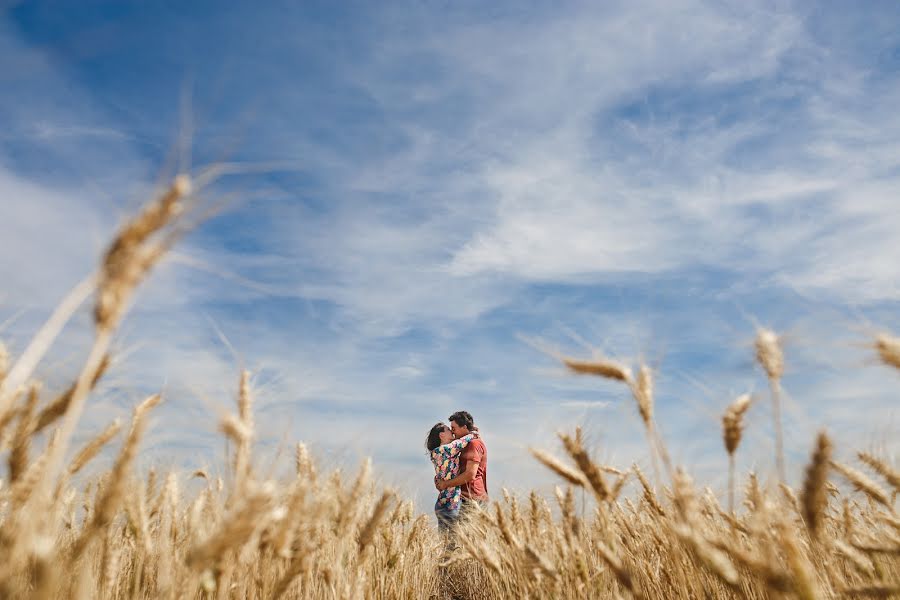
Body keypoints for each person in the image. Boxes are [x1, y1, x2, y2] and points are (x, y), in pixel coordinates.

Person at [425, 422, 480, 531]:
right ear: (442, 435)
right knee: (453, 542)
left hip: (443, 502)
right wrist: (473, 433)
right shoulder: (445, 450)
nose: (451, 431)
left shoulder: (436, 452)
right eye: (448, 429)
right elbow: (461, 442)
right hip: (451, 503)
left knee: (445, 542)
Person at [436, 411, 488, 519]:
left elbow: (470, 474)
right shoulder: (466, 444)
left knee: (469, 535)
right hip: (466, 497)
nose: (453, 432)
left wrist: (445, 484)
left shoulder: (474, 444)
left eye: (454, 428)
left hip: (474, 498)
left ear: (464, 427)